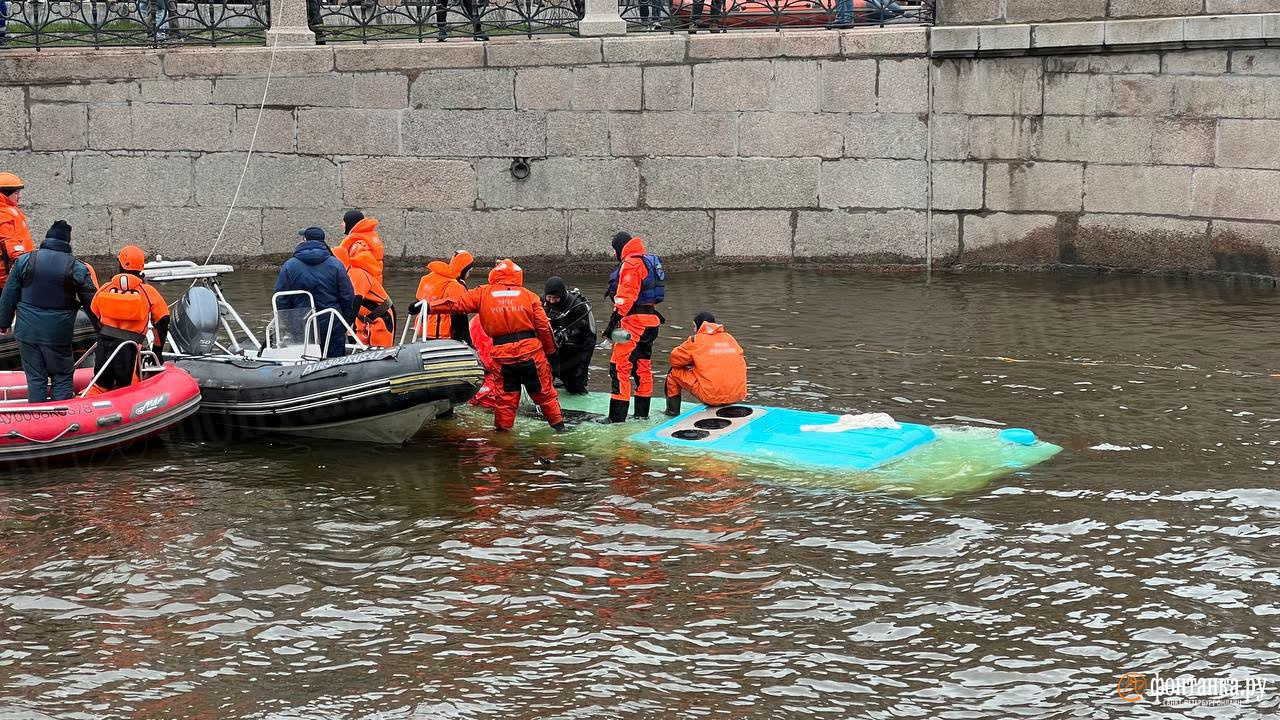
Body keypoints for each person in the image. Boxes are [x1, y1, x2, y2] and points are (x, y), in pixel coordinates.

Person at [428, 259, 564, 433]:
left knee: (505, 400)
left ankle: (503, 439)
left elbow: (456, 303)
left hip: (503, 354)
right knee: (544, 394)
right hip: (530, 352)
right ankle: (560, 428)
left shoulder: (483, 293)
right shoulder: (529, 296)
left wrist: (428, 306)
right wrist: (551, 352)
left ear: (495, 274)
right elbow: (544, 328)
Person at [0, 221, 101, 403]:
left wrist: (3, 323)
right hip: (57, 334)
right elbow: (92, 303)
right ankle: (62, 420)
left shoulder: (25, 261)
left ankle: (37, 421)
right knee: (61, 376)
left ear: (46, 239)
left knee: (35, 378)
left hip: (26, 332)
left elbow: (8, 295)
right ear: (68, 243)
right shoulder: (76, 267)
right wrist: (101, 329)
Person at [601, 231, 665, 423]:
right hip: (651, 322)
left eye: (614, 250)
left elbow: (625, 297)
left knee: (618, 366)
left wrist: (612, 323)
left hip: (632, 324)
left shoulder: (631, 263)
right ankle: (641, 414)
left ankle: (616, 417)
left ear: (619, 247)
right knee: (642, 366)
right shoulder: (648, 261)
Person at [89, 245, 170, 392]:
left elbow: (93, 314)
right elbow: (162, 321)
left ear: (120, 264)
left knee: (100, 385)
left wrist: (102, 333)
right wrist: (157, 349)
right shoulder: (148, 292)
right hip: (130, 349)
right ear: (141, 267)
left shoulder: (105, 288)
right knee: (128, 388)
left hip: (104, 347)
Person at [274, 227, 355, 359]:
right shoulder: (336, 264)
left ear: (304, 240)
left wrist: (290, 323)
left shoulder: (289, 265)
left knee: (304, 358)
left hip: (301, 322)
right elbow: (347, 296)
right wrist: (343, 321)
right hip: (331, 321)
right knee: (335, 361)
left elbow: (281, 298)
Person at [664, 311, 747, 416]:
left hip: (711, 396)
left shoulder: (696, 340)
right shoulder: (730, 338)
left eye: (694, 327)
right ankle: (725, 398)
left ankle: (672, 412)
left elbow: (674, 360)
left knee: (673, 373)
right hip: (737, 395)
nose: (694, 330)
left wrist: (691, 363)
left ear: (699, 326)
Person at [543, 276, 595, 395]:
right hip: (551, 355)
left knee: (576, 388)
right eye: (549, 297)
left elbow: (590, 340)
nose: (551, 301)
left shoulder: (578, 306)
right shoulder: (542, 302)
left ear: (562, 295)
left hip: (573, 356)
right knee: (542, 388)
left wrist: (583, 367)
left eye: (555, 298)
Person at [411, 250, 474, 344]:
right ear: (465, 270)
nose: (469, 275)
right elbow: (460, 320)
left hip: (423, 331)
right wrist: (467, 342)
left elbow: (418, 302)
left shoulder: (427, 278)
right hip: (442, 335)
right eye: (469, 271)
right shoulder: (456, 286)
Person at [346, 238, 395, 348]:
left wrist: (346, 325)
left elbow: (356, 301)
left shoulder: (358, 273)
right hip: (362, 318)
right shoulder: (353, 272)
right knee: (358, 350)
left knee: (383, 354)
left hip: (381, 317)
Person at [0, 172, 32, 291]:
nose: (19, 196)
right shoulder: (3, 213)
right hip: (8, 276)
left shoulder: (9, 209)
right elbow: (9, 241)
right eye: (16, 193)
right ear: (5, 194)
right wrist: (26, 265)